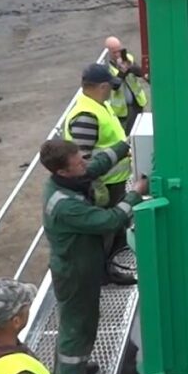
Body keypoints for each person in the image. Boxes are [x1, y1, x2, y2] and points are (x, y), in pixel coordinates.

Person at [40, 137, 147, 374]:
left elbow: (97, 164)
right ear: (62, 171)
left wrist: (127, 145)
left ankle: (71, 371)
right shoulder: (65, 204)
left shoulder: (70, 178)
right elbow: (110, 220)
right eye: (78, 162)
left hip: (83, 264)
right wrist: (135, 193)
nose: (84, 164)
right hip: (75, 272)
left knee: (79, 324)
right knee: (77, 327)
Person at [63, 63, 137, 285]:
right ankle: (103, 274)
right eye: (110, 87)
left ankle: (109, 265)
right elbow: (81, 162)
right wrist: (96, 188)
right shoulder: (86, 114)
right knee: (103, 232)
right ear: (102, 86)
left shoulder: (97, 105)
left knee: (113, 230)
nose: (112, 91)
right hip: (102, 185)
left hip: (112, 180)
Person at [105, 36, 148, 134]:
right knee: (126, 133)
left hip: (137, 102)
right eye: (114, 52)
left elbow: (140, 72)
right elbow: (114, 85)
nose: (117, 54)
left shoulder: (128, 58)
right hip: (121, 110)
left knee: (140, 130)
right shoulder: (106, 67)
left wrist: (130, 67)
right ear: (108, 52)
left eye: (119, 51)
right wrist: (122, 72)